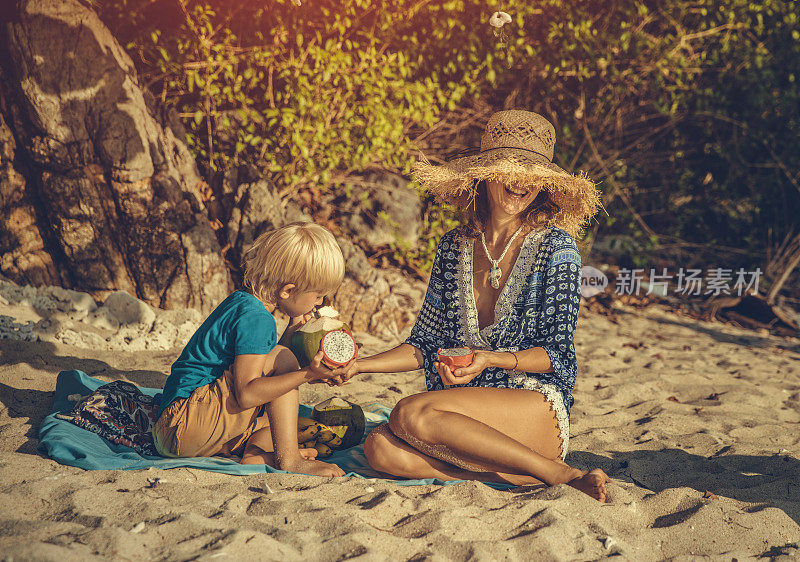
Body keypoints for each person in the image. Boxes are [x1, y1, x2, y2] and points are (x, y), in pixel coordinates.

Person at [327, 110, 610, 500]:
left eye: (532, 174)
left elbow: (556, 354)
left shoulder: (557, 248)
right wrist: (360, 366)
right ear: (486, 173)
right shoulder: (452, 247)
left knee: (409, 413)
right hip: (464, 422)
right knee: (380, 449)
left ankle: (557, 471)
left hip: (532, 411)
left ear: (544, 183)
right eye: (510, 169)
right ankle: (509, 477)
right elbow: (423, 344)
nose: (521, 182)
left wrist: (489, 359)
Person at [152, 222, 347, 477]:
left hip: (180, 427)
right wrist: (309, 374)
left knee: (277, 425)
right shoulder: (257, 319)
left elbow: (267, 366)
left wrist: (295, 327)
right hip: (185, 422)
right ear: (288, 290)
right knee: (285, 362)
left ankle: (257, 457)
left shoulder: (242, 303)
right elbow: (247, 394)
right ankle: (290, 461)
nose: (321, 302)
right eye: (318, 295)